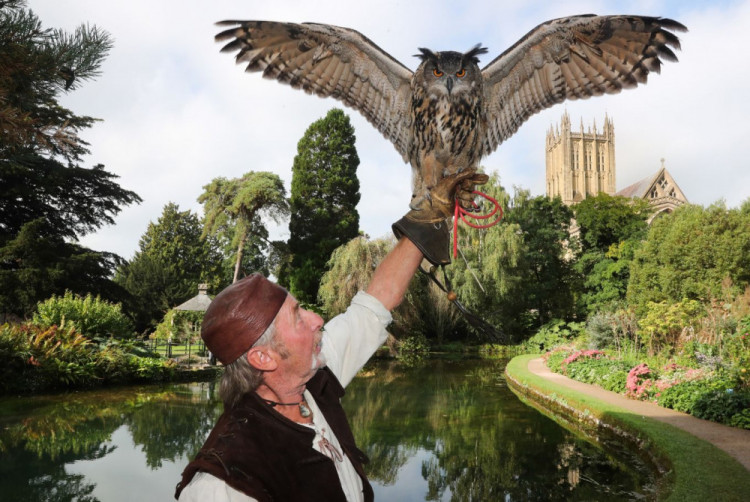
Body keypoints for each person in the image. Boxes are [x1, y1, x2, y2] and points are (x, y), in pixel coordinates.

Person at [175, 169, 487, 502]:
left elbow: (375, 303)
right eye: (297, 318)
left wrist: (429, 214)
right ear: (263, 357)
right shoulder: (224, 481)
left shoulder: (310, 380)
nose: (317, 318)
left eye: (303, 307)